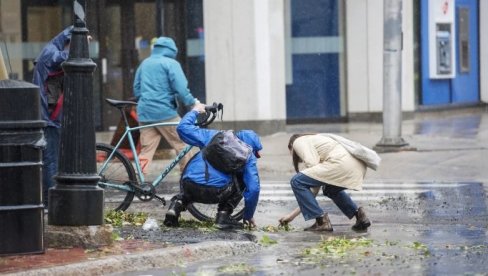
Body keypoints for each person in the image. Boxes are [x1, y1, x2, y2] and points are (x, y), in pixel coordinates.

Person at [163, 103, 263, 230]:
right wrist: (248, 216)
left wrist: (195, 111)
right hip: (217, 193)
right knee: (244, 182)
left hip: (189, 185)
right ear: (253, 148)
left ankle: (176, 206)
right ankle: (223, 217)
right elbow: (254, 189)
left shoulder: (215, 135)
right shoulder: (249, 156)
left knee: (190, 184)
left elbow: (182, 128)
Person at [279, 133, 375, 232]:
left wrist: (291, 216)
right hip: (356, 166)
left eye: (290, 152)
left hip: (341, 164)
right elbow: (313, 189)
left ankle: (322, 222)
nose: (291, 155)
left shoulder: (298, 142)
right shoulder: (315, 141)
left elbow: (312, 168)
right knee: (330, 189)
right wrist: (291, 216)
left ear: (291, 147)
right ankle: (360, 216)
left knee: (297, 181)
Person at [133, 36, 198, 174]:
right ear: (171, 50)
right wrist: (192, 103)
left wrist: (148, 100)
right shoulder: (171, 63)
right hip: (165, 113)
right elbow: (181, 88)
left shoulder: (145, 63)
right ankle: (189, 177)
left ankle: (138, 179)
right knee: (184, 144)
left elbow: (137, 88)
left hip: (145, 113)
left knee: (146, 150)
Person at [32, 25, 73, 209]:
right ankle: (50, 203)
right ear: (67, 41)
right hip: (49, 116)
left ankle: (50, 200)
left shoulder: (52, 49)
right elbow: (63, 59)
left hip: (52, 114)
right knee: (51, 159)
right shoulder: (51, 52)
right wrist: (81, 45)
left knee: (52, 158)